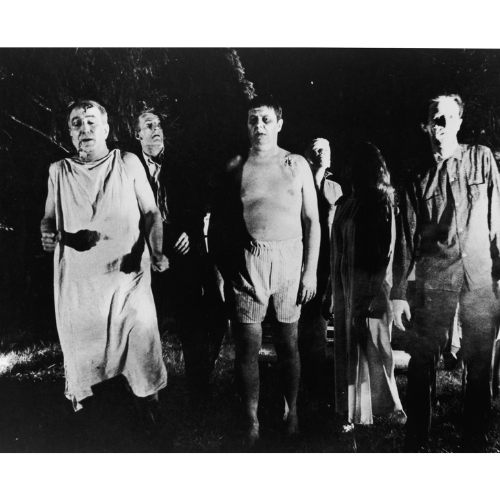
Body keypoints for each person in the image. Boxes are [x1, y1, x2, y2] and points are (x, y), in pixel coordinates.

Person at [41, 100, 169, 441]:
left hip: (128, 279)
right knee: (91, 366)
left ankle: (152, 425)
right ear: (70, 132)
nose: (84, 129)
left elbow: (151, 212)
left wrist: (156, 250)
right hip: (81, 287)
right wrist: (49, 233)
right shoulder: (59, 171)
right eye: (77, 124)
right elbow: (48, 218)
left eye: (91, 122)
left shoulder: (126, 163)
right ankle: (105, 434)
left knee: (141, 351)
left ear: (106, 128)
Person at [391, 94, 500, 451]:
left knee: (480, 364)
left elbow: (497, 217)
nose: (441, 124)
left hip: (480, 277)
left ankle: (475, 444)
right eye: (435, 118)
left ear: (459, 122)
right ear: (425, 125)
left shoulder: (481, 158)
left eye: (448, 118)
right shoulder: (416, 177)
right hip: (435, 280)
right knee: (422, 363)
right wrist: (397, 294)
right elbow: (405, 237)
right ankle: (417, 444)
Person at [216, 95, 320, 446]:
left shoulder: (296, 164)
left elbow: (312, 220)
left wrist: (310, 271)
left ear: (279, 124)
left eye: (265, 119)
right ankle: (251, 420)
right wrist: (226, 269)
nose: (259, 126)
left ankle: (292, 414)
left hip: (290, 261)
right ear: (246, 125)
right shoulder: (236, 165)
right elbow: (221, 224)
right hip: (250, 263)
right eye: (252, 120)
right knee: (248, 347)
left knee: (288, 344)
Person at [134, 110, 222, 404]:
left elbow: (197, 203)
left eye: (159, 124)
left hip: (181, 249)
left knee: (194, 321)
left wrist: (191, 232)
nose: (156, 129)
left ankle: (199, 391)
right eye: (149, 125)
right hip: (146, 251)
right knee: (146, 322)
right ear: (138, 134)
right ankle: (147, 393)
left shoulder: (182, 162)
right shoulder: (130, 167)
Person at [332, 142, 405, 425]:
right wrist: (331, 292)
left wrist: (374, 290)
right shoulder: (344, 204)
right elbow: (337, 248)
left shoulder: (381, 201)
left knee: (375, 345)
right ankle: (353, 412)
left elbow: (386, 249)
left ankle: (391, 407)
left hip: (371, 281)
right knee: (350, 345)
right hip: (345, 284)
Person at [298, 138, 342, 405]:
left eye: (326, 148)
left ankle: (314, 392)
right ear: (306, 155)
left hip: (326, 265)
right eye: (316, 148)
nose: (322, 152)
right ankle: (299, 389)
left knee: (318, 326)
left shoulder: (335, 189)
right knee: (300, 327)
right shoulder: (297, 184)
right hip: (300, 263)